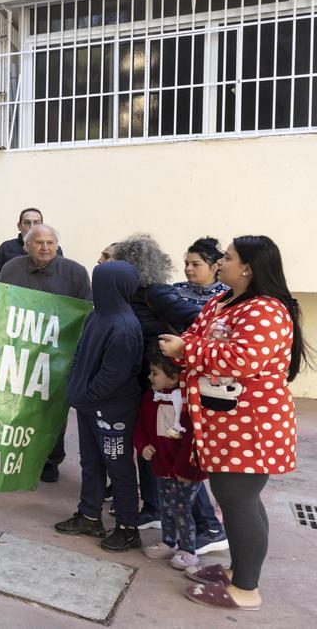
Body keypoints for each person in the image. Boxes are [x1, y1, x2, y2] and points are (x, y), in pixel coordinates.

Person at [159, 236, 308, 612]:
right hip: (223, 424)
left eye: (227, 257)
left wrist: (186, 351)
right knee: (236, 498)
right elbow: (196, 335)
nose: (220, 262)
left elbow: (242, 360)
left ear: (248, 267)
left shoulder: (267, 310)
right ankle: (237, 570)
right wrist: (185, 349)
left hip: (251, 427)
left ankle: (246, 589)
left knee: (239, 502)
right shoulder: (222, 301)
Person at [111, 234, 227, 551]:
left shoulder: (158, 293)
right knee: (152, 449)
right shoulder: (130, 295)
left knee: (176, 452)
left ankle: (210, 527)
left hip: (167, 385)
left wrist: (172, 358)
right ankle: (154, 509)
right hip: (146, 384)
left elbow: (198, 322)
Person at [53, 260, 144, 553]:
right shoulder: (97, 316)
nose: (95, 287)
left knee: (118, 467)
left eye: (99, 281)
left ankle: (128, 528)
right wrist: (74, 386)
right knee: (90, 462)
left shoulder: (125, 327)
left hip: (112, 412)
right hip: (88, 405)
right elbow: (80, 352)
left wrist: (86, 394)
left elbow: (113, 376)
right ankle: (90, 515)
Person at [0, 224, 91, 482]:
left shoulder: (75, 273)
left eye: (50, 243)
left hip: (57, 355)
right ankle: (18, 454)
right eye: (39, 243)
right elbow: (1, 305)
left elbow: (85, 312)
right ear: (27, 245)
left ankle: (51, 459)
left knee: (52, 408)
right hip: (19, 352)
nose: (45, 247)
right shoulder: (11, 269)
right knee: (16, 405)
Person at [134, 350, 206, 571]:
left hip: (186, 471)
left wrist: (184, 469)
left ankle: (188, 549)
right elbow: (141, 426)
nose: (150, 377)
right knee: (166, 506)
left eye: (155, 373)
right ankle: (168, 541)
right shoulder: (150, 398)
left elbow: (195, 437)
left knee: (182, 508)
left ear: (174, 377)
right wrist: (143, 444)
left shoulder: (190, 402)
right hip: (162, 466)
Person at [0, 208, 61, 280]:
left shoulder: (53, 248)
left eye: (36, 223)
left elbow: (61, 275)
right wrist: (18, 280)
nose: (32, 227)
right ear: (19, 226)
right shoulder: (6, 247)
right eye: (27, 223)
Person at [173, 237, 229, 308]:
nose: (188, 268)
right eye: (187, 264)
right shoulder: (175, 291)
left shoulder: (228, 296)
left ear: (214, 267)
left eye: (195, 264)